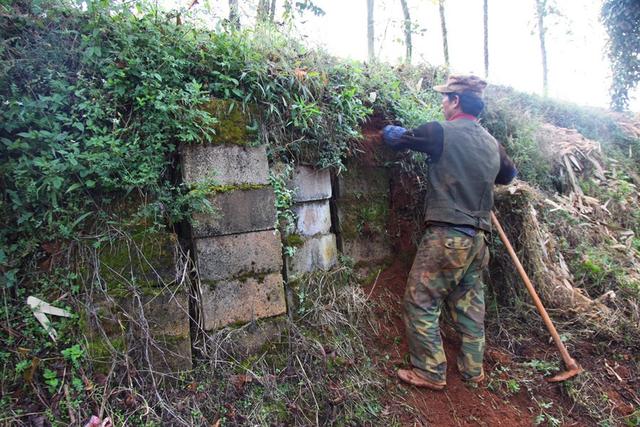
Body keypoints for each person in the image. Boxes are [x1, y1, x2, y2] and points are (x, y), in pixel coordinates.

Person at [382, 75, 517, 391]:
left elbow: (399, 138)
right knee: (470, 306)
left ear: (456, 101)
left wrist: (388, 131)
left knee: (420, 300)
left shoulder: (438, 132)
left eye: (446, 97)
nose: (442, 102)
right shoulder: (492, 144)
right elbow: (509, 176)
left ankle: (430, 371)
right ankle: (472, 372)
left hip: (447, 237)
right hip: (478, 241)